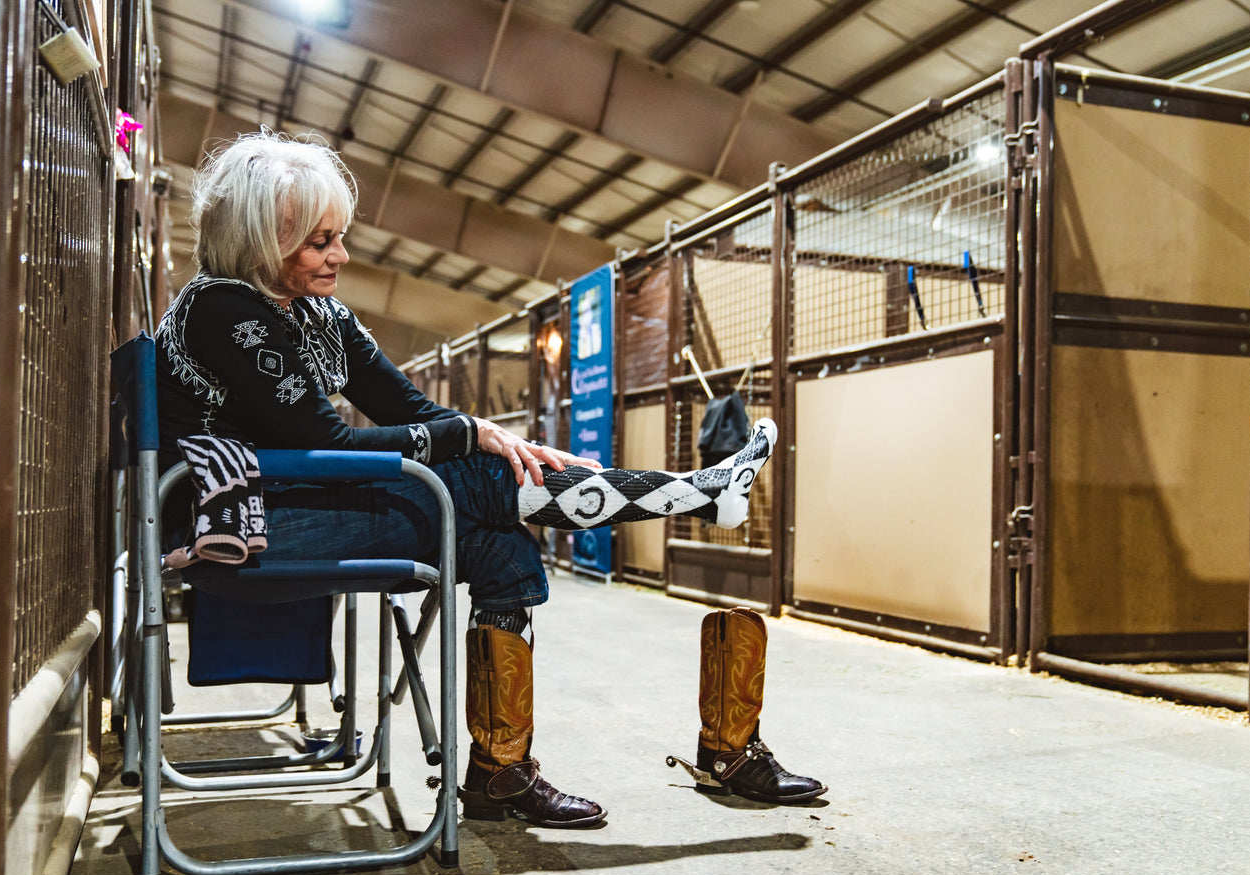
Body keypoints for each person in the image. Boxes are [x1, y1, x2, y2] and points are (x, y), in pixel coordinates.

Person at [156, 130, 824, 829]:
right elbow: (324, 439)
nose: (342, 256)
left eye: (339, 237)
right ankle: (699, 493)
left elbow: (411, 410)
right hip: (232, 528)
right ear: (264, 240)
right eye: (320, 242)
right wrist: (475, 440)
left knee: (503, 545)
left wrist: (510, 444)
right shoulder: (222, 309)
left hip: (297, 502)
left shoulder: (319, 313)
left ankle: (499, 774)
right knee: (474, 476)